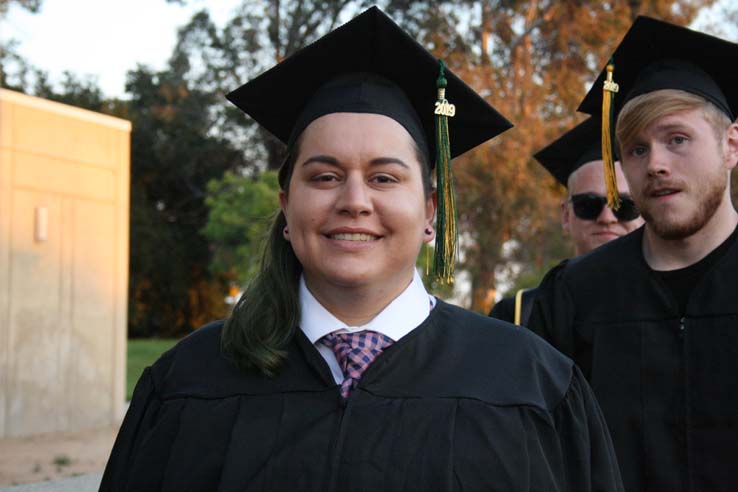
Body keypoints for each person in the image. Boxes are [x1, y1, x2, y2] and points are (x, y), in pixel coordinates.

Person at [100, 7, 623, 491]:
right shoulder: (188, 380)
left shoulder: (532, 383)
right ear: (287, 205)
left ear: (430, 211)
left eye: (384, 178)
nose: (354, 201)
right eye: (325, 176)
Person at [527, 16, 738, 492]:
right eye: (636, 150)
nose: (656, 164)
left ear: (731, 145)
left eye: (677, 139)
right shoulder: (575, 296)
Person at [490, 117, 643, 325]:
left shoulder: (679, 311)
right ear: (565, 215)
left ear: (646, 211)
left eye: (624, 206)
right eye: (588, 205)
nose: (607, 218)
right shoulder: (519, 315)